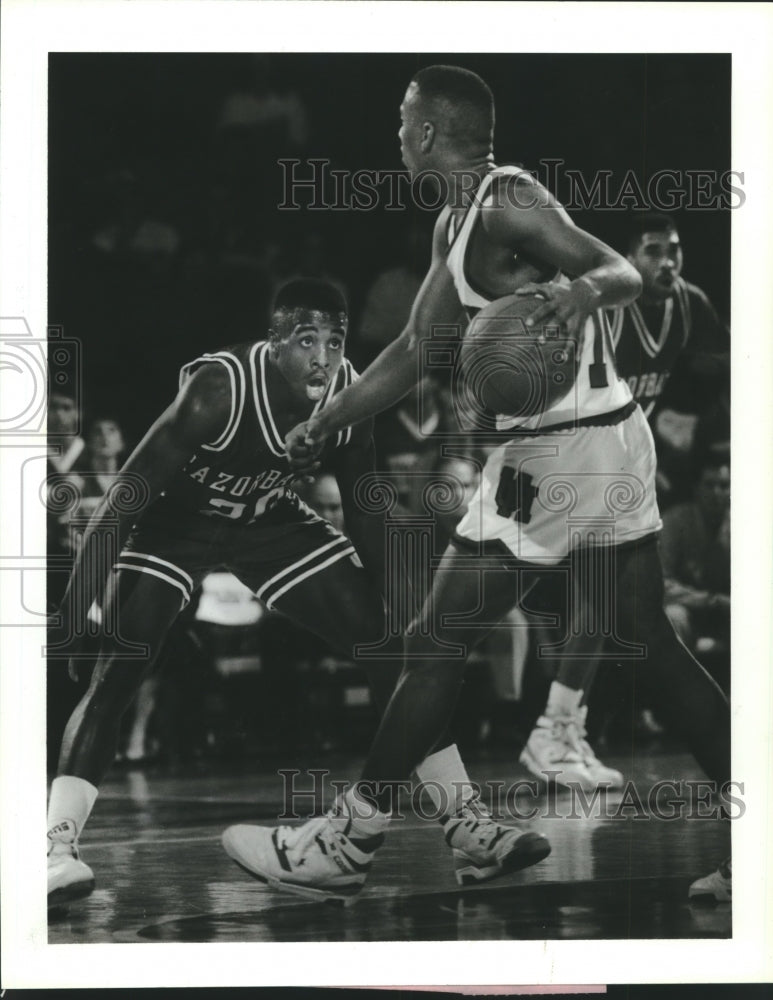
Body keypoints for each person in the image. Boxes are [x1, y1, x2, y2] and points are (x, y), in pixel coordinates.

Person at [222, 66, 731, 904]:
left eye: (400, 120)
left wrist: (579, 292)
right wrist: (331, 416)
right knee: (658, 649)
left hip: (555, 457)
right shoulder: (453, 223)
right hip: (606, 446)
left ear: (426, 132)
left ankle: (347, 843)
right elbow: (416, 350)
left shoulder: (508, 198)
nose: (394, 134)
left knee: (433, 644)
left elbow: (620, 272)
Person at [47, 277, 549, 908]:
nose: (322, 356)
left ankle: (467, 829)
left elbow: (366, 511)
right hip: (176, 526)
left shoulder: (348, 394)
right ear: (275, 339)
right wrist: (72, 617)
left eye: (334, 341)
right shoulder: (219, 390)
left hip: (269, 521)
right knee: (118, 668)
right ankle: (56, 848)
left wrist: (409, 615)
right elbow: (121, 501)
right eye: (306, 340)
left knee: (389, 651)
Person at [519, 211, 731, 791]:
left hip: (614, 462)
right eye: (654, 250)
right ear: (627, 259)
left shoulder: (691, 305)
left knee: (603, 600)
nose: (667, 262)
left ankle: (558, 728)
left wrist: (673, 440)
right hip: (562, 456)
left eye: (675, 251)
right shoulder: (602, 307)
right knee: (582, 600)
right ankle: (552, 728)